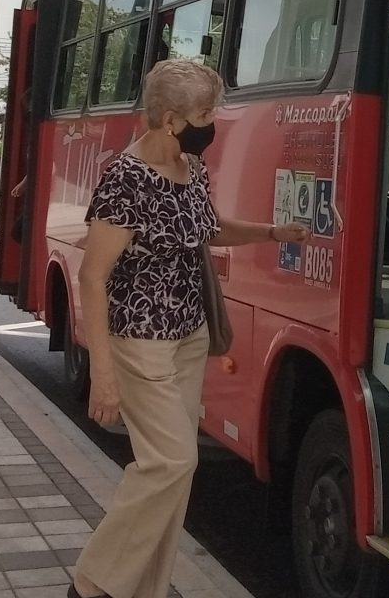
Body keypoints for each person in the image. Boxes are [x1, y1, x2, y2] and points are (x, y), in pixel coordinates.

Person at [69, 59, 308, 598]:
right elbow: (92, 276)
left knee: (176, 474)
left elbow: (208, 227)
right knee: (170, 462)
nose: (212, 124)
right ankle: (91, 585)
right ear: (171, 119)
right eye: (205, 115)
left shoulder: (191, 168)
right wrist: (103, 374)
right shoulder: (126, 179)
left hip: (188, 335)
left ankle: (144, 590)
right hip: (141, 340)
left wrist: (271, 232)